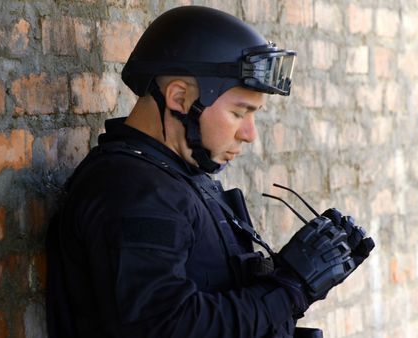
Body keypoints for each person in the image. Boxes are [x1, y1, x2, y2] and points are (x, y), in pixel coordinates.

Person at [47, 6, 374, 338]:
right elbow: (165, 326)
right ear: (180, 97)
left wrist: (292, 273)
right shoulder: (131, 191)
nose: (250, 133)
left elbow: (215, 298)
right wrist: (290, 289)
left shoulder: (179, 179)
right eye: (238, 112)